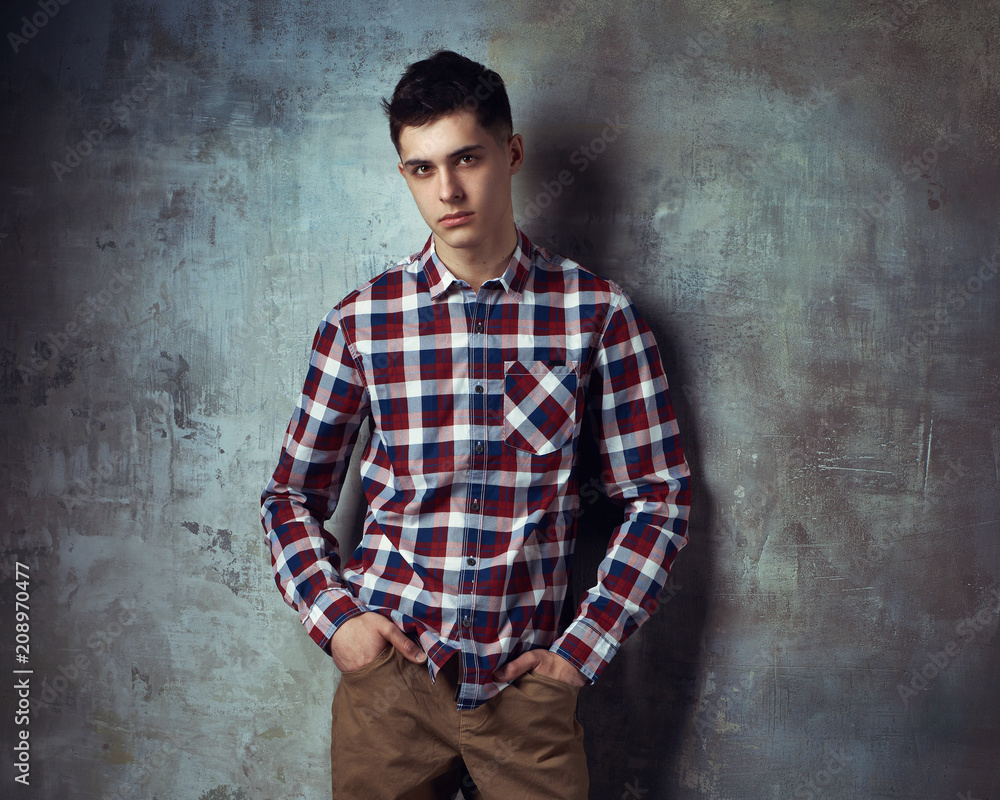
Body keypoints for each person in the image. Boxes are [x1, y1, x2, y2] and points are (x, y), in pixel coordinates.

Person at [260, 50, 691, 800]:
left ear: (512, 153)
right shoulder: (362, 323)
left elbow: (660, 498)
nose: (448, 190)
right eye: (422, 169)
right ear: (404, 175)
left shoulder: (597, 316)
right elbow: (289, 499)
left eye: (467, 158)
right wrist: (342, 628)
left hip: (528, 693)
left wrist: (575, 658)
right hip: (391, 689)